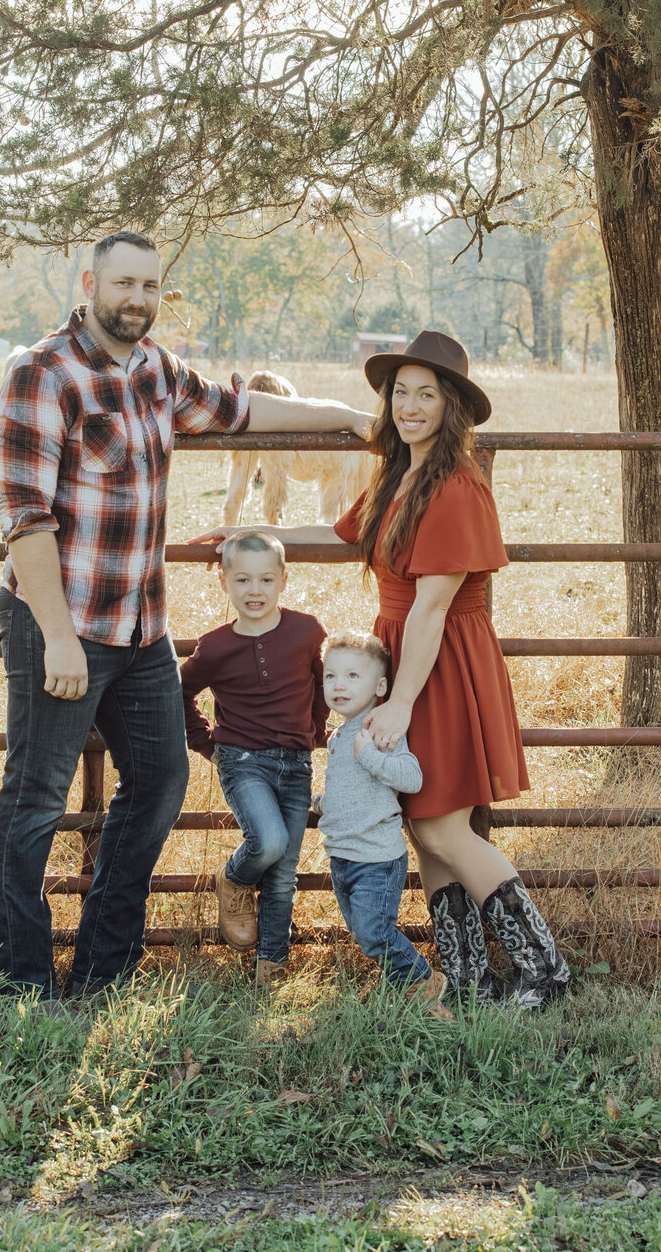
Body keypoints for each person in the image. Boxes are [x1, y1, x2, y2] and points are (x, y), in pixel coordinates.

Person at [0, 229, 373, 1002]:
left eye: (150, 287)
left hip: (141, 626)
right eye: (124, 284)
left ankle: (103, 966)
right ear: (91, 282)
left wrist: (356, 419)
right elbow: (25, 519)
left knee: (161, 780)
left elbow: (242, 409)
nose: (137, 300)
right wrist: (59, 637)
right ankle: (22, 981)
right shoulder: (43, 373)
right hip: (58, 622)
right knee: (37, 795)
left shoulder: (156, 371)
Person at [201, 330, 568, 1010]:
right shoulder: (400, 476)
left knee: (441, 827)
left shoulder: (456, 485)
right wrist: (248, 538)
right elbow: (345, 537)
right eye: (400, 393)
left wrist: (397, 702)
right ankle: (464, 980)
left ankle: (544, 970)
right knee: (422, 822)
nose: (410, 406)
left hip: (442, 661)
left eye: (427, 394)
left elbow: (433, 607)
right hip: (406, 654)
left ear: (452, 404)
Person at [181, 530, 327, 985]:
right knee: (268, 842)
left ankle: (272, 969)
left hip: (296, 762)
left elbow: (321, 685)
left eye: (265, 580)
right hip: (242, 759)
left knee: (283, 876)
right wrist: (208, 744)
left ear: (283, 580)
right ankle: (235, 878)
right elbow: (179, 693)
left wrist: (316, 733)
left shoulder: (307, 631)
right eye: (242, 580)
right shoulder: (216, 646)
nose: (255, 591)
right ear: (225, 582)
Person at [313, 631, 450, 1014]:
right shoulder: (339, 736)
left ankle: (424, 982)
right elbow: (348, 789)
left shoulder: (379, 730)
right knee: (365, 935)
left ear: (381, 686)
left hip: (376, 858)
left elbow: (411, 778)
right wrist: (321, 804)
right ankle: (409, 988)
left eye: (353, 676)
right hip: (342, 856)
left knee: (375, 934)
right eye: (331, 676)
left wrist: (369, 754)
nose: (339, 685)